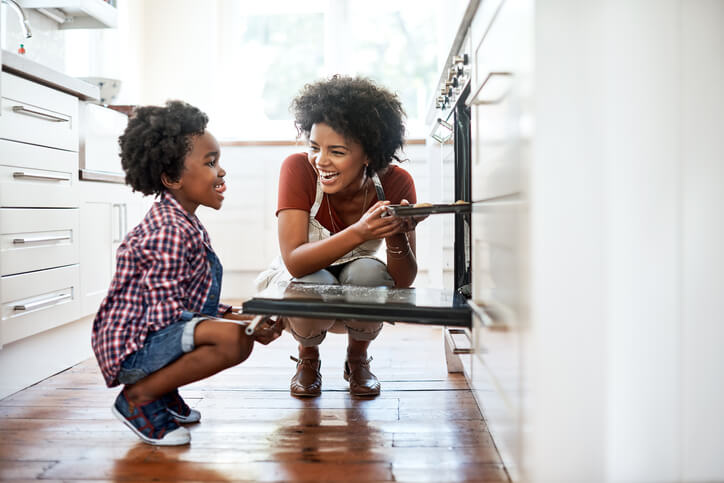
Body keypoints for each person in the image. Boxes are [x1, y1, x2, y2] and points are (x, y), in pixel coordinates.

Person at [91, 101, 283, 446]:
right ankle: (139, 398)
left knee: (236, 331)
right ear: (172, 178)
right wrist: (239, 326)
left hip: (147, 338)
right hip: (133, 350)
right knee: (234, 342)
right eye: (211, 163)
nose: (221, 172)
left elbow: (190, 303)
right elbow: (167, 319)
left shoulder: (183, 221)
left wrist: (240, 314)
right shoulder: (168, 230)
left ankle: (161, 393)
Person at [256, 76, 424, 398]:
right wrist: (360, 231)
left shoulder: (397, 183)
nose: (321, 160)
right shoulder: (297, 169)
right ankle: (307, 359)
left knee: (369, 273)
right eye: (314, 147)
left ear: (369, 155)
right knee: (308, 282)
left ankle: (358, 359)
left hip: (354, 289)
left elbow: (402, 284)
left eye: (337, 151)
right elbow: (294, 261)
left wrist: (398, 234)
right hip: (306, 280)